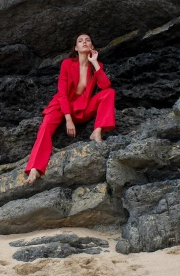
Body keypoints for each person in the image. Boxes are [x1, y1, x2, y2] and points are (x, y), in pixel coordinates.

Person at [25, 33, 116, 184]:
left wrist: (94, 63)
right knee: (45, 126)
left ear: (92, 47)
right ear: (76, 47)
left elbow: (105, 86)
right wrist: (68, 119)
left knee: (109, 93)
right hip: (60, 106)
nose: (84, 42)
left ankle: (97, 131)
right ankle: (35, 168)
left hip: (82, 108)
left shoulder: (97, 66)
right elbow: (62, 93)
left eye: (88, 40)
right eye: (80, 41)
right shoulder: (67, 63)